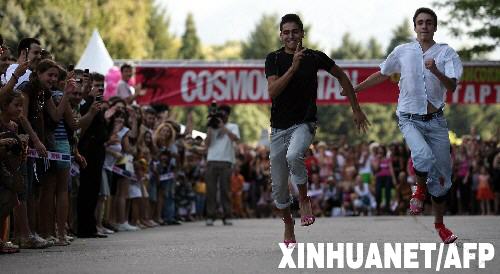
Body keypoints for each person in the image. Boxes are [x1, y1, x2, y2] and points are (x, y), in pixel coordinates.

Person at [349, 8, 463, 243]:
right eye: (420, 22)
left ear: (435, 27)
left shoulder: (446, 53)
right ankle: (420, 191)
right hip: (409, 118)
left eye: (429, 23)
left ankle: (440, 225)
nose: (424, 26)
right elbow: (382, 73)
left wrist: (436, 70)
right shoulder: (403, 51)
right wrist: (355, 89)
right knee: (421, 155)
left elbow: (451, 86)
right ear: (415, 27)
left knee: (442, 181)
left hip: (436, 121)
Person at [265, 14, 369, 246]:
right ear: (281, 35)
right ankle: (289, 226)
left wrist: (356, 108)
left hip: (305, 122)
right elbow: (272, 92)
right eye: (286, 32)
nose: (291, 36)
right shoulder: (273, 58)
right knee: (279, 186)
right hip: (279, 128)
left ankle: (303, 199)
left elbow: (341, 75)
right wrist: (292, 69)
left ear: (302, 33)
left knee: (295, 155)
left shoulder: (315, 57)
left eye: (295, 31)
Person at [204, 104, 240, 226]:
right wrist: (210, 127)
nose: (221, 117)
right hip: (211, 161)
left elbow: (235, 138)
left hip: (226, 162)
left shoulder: (233, 126)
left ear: (227, 116)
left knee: (225, 190)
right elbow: (207, 144)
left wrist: (222, 126)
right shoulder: (212, 127)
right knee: (211, 190)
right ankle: (210, 216)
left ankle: (227, 215)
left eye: (223, 115)